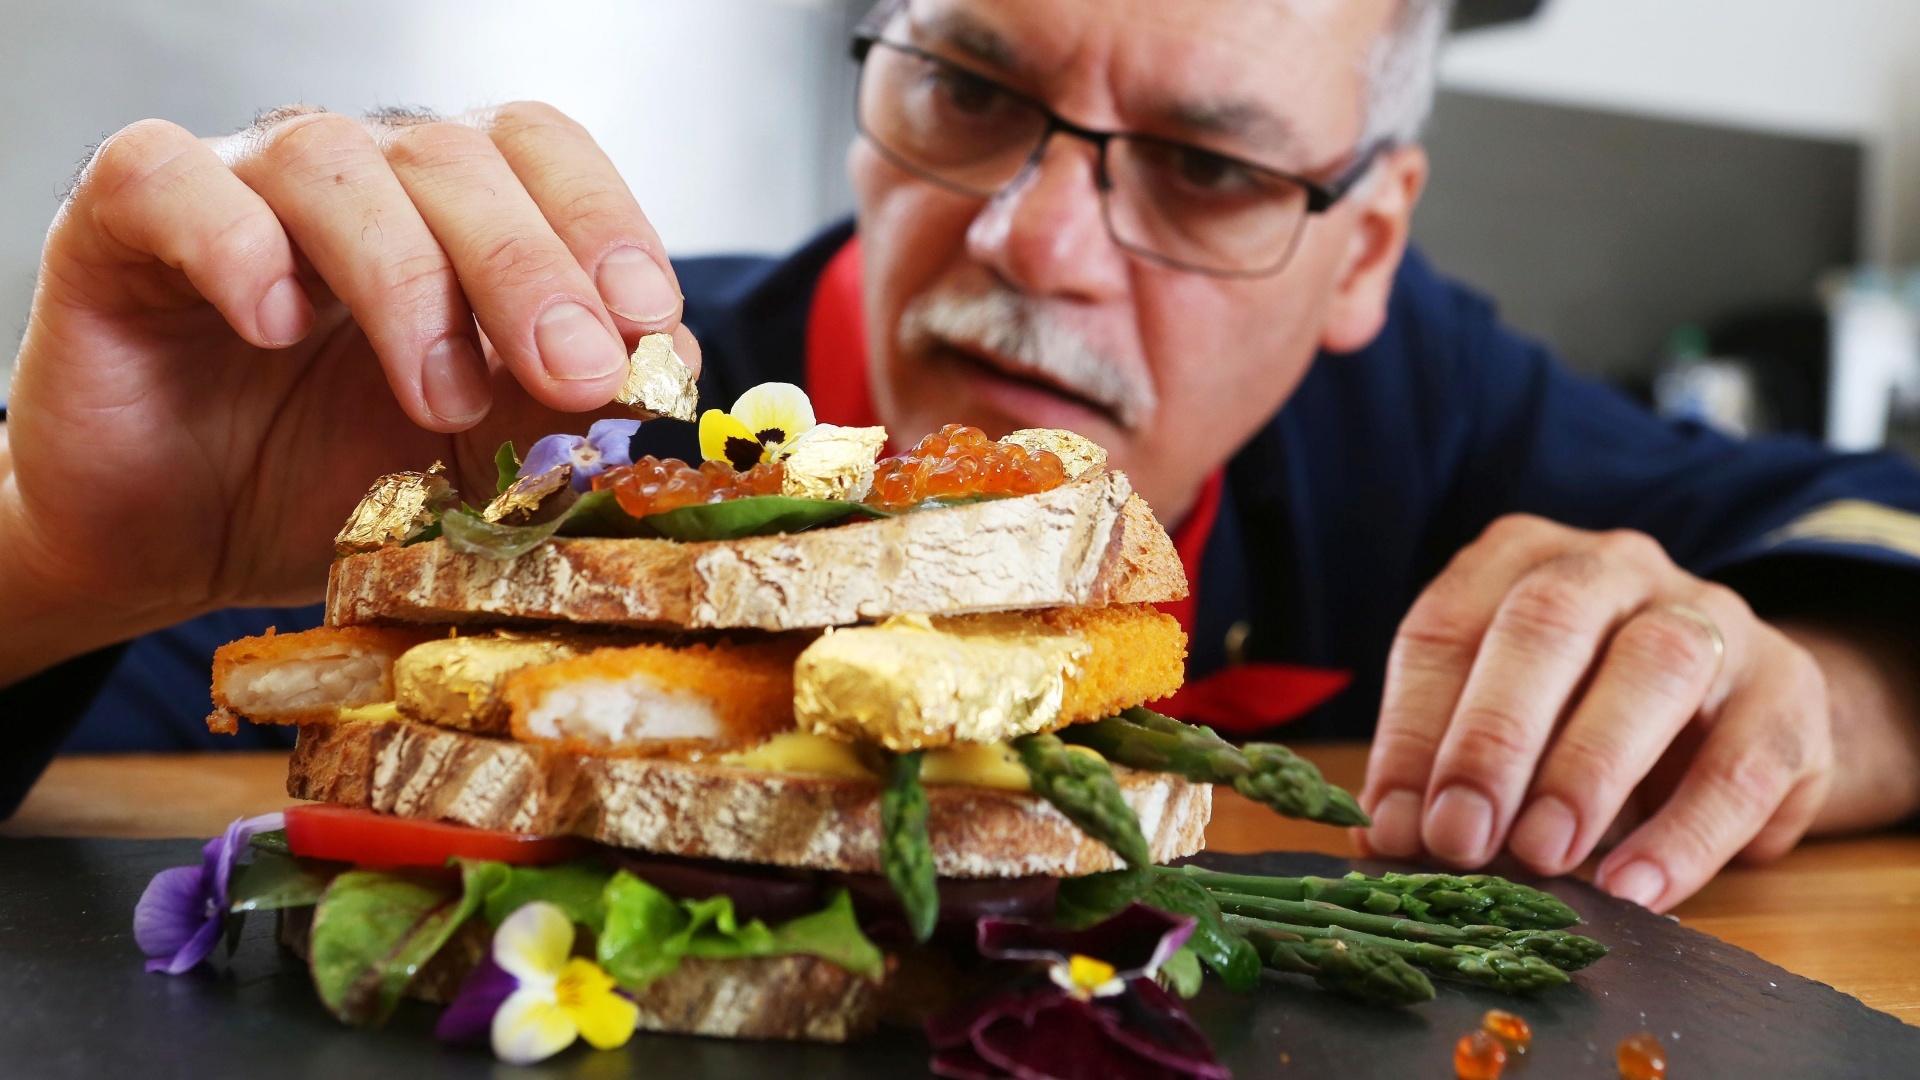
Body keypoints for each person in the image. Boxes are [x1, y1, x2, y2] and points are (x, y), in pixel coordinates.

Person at [3, 0, 1917, 914]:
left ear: (1371, 246)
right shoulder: (506, 429)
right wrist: (65, 551)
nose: (1037, 242)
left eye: (1210, 167)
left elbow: (1870, 548)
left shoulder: (1432, 406)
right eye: (972, 89)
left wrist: (1818, 687)